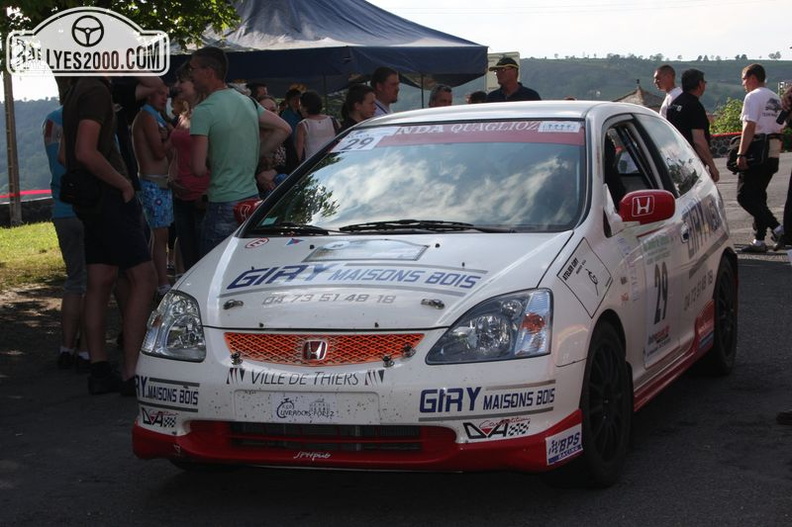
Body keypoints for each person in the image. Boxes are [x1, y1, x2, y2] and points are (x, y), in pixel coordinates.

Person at [61, 76, 157, 395]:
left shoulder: (76, 90)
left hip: (89, 201)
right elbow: (85, 152)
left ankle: (99, 368)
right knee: (144, 277)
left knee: (100, 280)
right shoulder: (97, 90)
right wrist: (122, 183)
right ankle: (133, 372)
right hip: (109, 199)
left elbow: (66, 154)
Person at [188, 46, 291, 256]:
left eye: (193, 69)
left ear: (208, 71)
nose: (191, 75)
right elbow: (284, 128)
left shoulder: (203, 111)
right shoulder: (247, 102)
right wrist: (255, 154)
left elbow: (197, 168)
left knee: (212, 272)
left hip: (222, 202)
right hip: (251, 199)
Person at [43, 102, 90, 372]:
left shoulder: (51, 120)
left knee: (74, 281)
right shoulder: (90, 115)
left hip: (62, 207)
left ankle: (66, 347)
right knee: (94, 282)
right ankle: (87, 349)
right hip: (88, 208)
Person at [734, 63, 784, 253]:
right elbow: (781, 125)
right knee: (759, 195)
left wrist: (741, 153)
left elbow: (749, 126)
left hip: (757, 149)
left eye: (744, 79)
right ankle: (759, 240)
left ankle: (778, 228)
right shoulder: (775, 97)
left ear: (753, 78)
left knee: (744, 196)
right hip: (773, 149)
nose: (743, 84)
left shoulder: (752, 97)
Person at [131, 84, 174, 297]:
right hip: (153, 182)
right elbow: (158, 152)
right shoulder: (146, 117)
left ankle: (155, 276)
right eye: (160, 93)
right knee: (160, 235)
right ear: (148, 94)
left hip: (160, 182)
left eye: (166, 95)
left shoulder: (155, 116)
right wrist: (172, 137)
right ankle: (162, 282)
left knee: (159, 234)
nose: (163, 98)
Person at [666, 68, 720, 183]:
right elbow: (698, 140)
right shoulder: (694, 105)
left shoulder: (674, 104)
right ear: (700, 84)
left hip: (676, 159)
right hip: (692, 162)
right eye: (704, 82)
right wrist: (712, 166)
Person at [294, 90, 339, 161]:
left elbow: (298, 153)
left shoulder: (303, 125)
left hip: (312, 165)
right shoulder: (333, 120)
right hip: (333, 161)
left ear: (305, 108)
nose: (299, 109)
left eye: (300, 105)